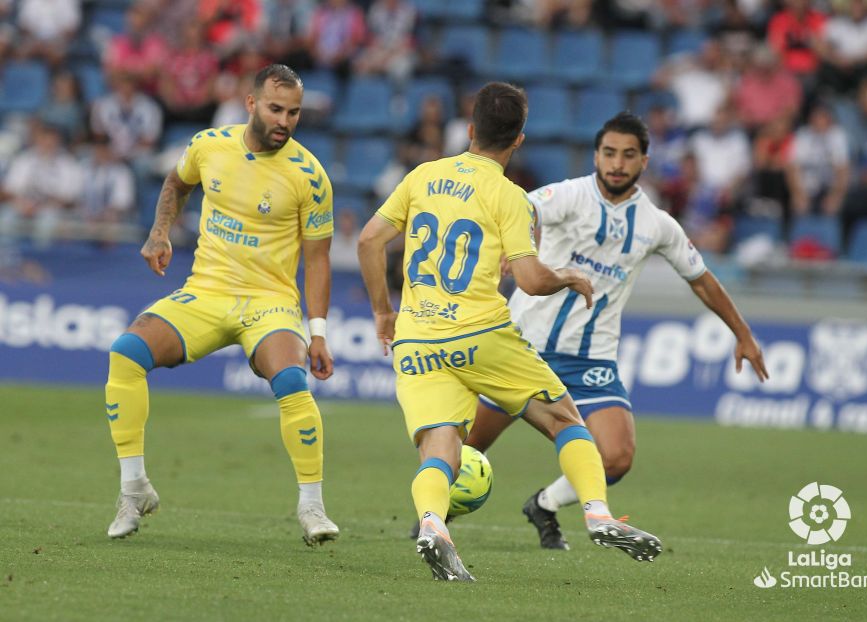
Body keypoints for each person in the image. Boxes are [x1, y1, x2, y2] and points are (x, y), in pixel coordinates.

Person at [357, 82, 663, 582]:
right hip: (481, 334)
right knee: (565, 421)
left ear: (471, 129)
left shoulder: (423, 175)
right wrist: (566, 275)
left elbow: (369, 240)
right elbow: (530, 280)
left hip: (416, 336)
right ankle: (597, 514)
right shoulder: (507, 195)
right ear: (519, 139)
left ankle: (434, 524)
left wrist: (382, 314)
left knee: (439, 445)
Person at [460, 111, 769, 550]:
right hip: (524, 348)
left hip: (591, 359)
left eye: (628, 155)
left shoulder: (657, 224)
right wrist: (518, 244)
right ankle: (436, 516)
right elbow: (524, 205)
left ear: (644, 161)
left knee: (617, 457)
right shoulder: (570, 195)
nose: (617, 163)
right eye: (609, 153)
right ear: (596, 156)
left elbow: (700, 277)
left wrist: (742, 333)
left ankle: (544, 504)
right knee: (469, 446)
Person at [103, 64, 340, 547]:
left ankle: (312, 506)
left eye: (294, 112)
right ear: (250, 104)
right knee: (126, 353)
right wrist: (159, 231)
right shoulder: (209, 144)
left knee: (292, 381)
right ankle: (134, 488)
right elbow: (176, 183)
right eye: (276, 109)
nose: (285, 121)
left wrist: (317, 332)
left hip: (270, 303)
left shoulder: (310, 176)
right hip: (207, 292)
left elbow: (317, 261)